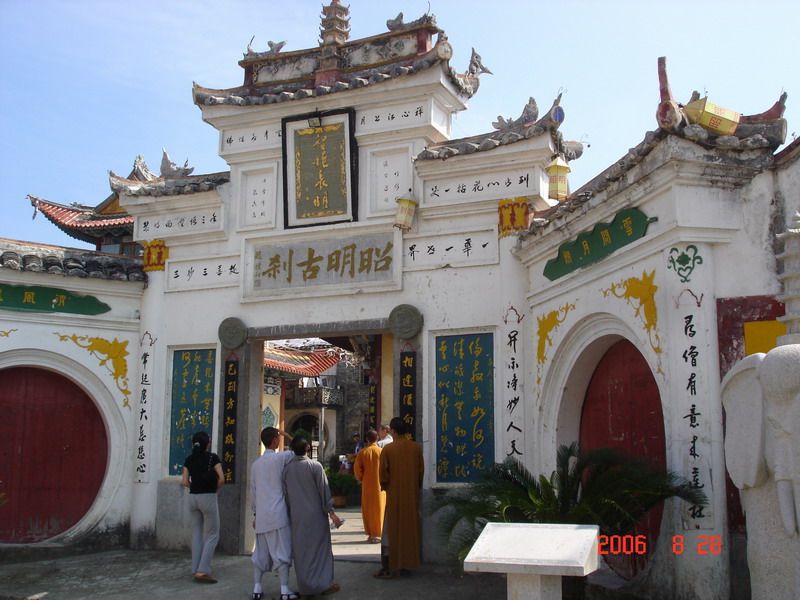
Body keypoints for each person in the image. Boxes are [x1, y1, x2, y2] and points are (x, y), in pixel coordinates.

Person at [282, 436, 342, 598]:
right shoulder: (315, 466)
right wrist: (331, 512)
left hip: (297, 518)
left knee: (301, 553)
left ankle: (306, 588)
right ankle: (324, 584)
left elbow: (286, 496)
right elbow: (324, 490)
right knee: (321, 551)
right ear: (308, 448)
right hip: (316, 516)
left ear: (292, 450)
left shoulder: (287, 470)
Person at [250, 427, 297, 600]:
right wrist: (287, 435)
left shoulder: (256, 465)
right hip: (278, 514)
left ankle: (257, 588)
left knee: (260, 553)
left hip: (262, 516)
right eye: (278, 437)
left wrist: (255, 515)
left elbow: (253, 492)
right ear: (275, 440)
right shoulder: (280, 458)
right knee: (282, 552)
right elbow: (300, 448)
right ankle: (284, 590)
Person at [376, 417, 424, 579]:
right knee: (408, 529)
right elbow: (420, 472)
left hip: (394, 495)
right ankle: (405, 564)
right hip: (411, 496)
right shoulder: (415, 448)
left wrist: (387, 487)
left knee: (390, 531)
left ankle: (389, 566)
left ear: (393, 431)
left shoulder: (388, 449)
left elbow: (383, 476)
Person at [181, 430, 224, 584]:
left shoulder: (189, 459)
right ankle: (203, 570)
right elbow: (221, 479)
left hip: (193, 498)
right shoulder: (213, 458)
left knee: (197, 534)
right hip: (208, 497)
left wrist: (195, 487)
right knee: (212, 534)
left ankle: (195, 568)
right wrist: (211, 488)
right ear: (208, 444)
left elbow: (184, 482)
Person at [353, 429, 386, 543]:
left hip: (367, 486)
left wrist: (363, 478)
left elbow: (357, 470)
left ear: (366, 439)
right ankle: (379, 534)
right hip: (381, 486)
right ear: (377, 438)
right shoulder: (382, 452)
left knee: (368, 510)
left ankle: (371, 534)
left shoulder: (363, 453)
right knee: (380, 509)